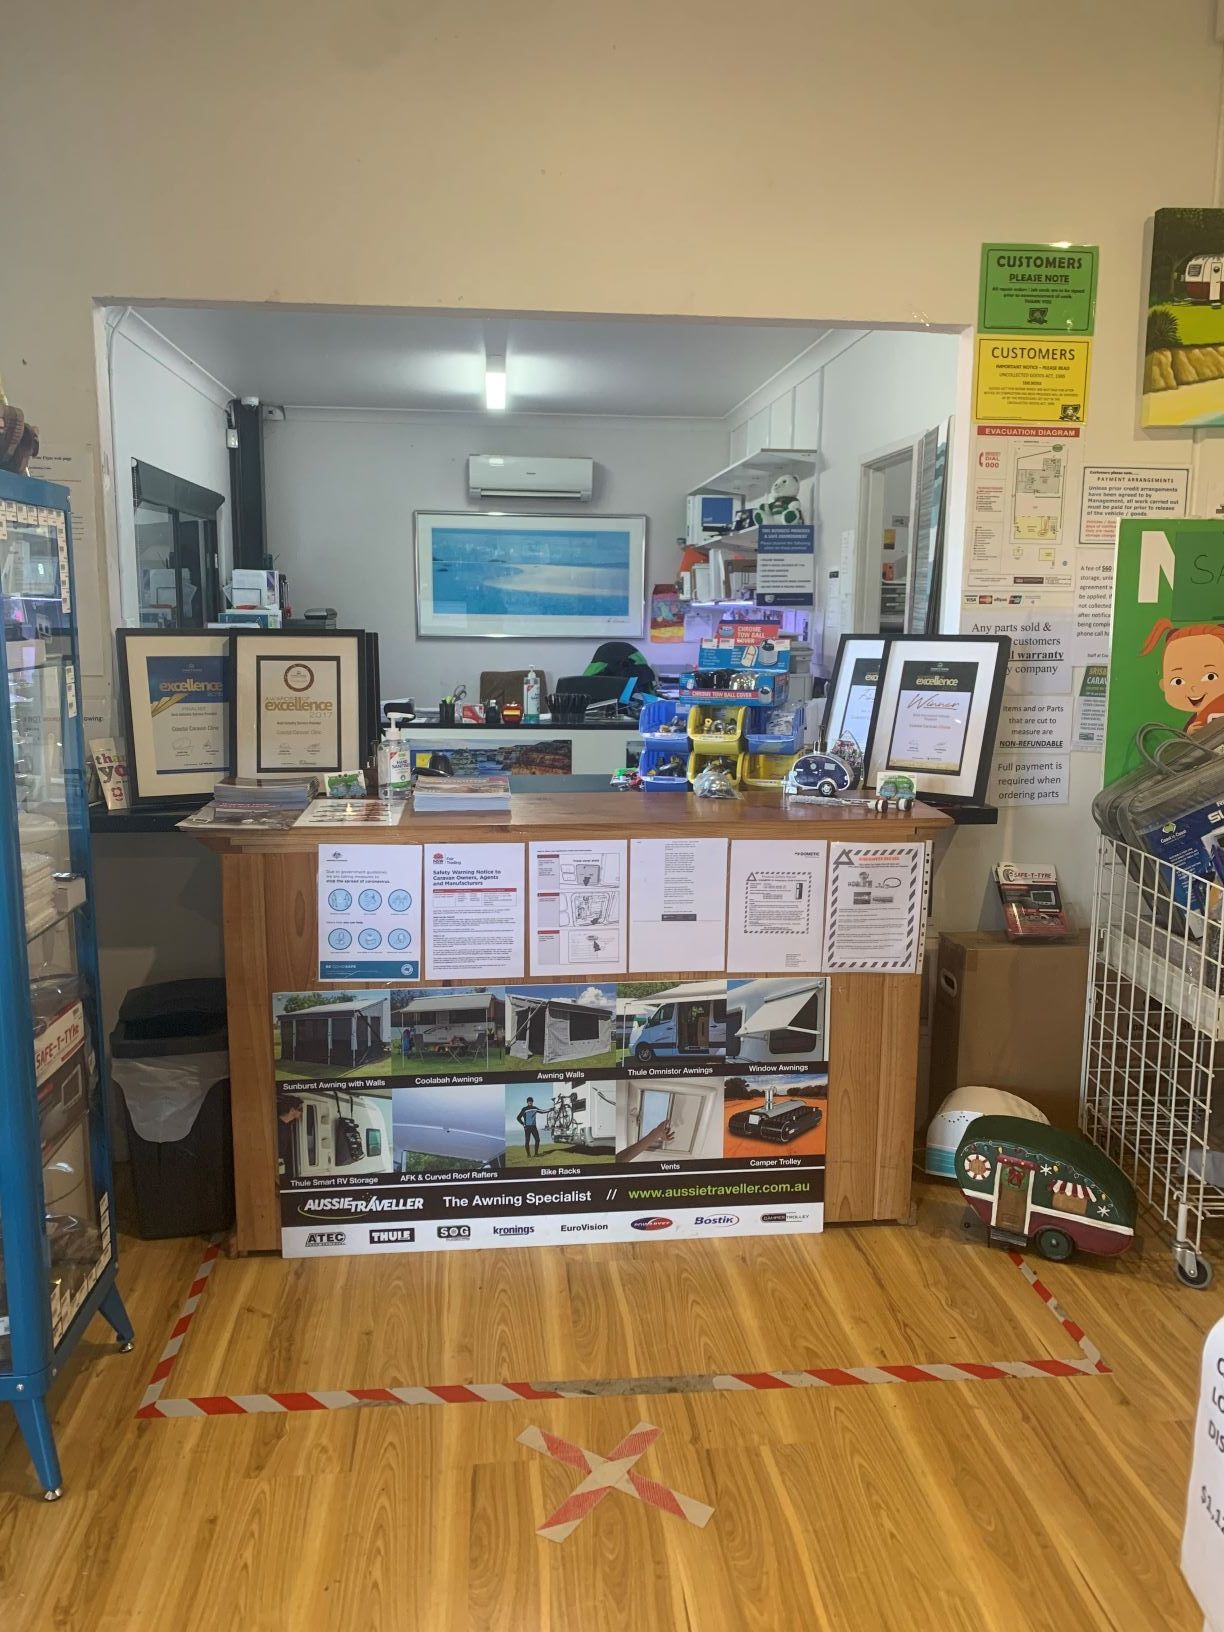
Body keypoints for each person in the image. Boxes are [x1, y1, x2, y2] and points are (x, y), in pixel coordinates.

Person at [1141, 618, 1224, 733]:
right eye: (1178, 681)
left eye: (1210, 676)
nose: (1193, 688)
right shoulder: (1195, 720)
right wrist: (1189, 733)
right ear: (1164, 685)